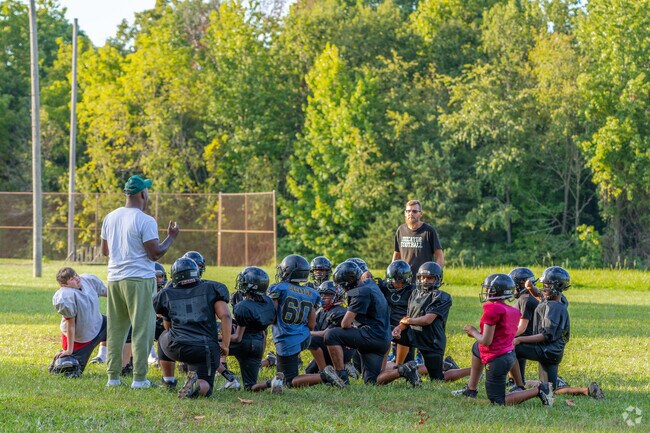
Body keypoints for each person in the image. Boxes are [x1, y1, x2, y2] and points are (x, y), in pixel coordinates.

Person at [101, 174, 179, 388]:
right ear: (143, 194)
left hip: (115, 279)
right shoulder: (145, 220)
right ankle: (139, 379)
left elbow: (105, 250)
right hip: (140, 280)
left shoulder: (110, 217)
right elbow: (154, 254)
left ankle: (113, 377)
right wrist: (171, 237)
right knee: (142, 329)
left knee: (115, 329)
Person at [454, 274, 554, 406]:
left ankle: (540, 390)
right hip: (509, 355)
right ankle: (471, 389)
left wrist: (472, 331)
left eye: (488, 288)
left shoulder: (493, 310)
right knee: (476, 348)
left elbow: (486, 341)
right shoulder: (513, 311)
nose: (486, 291)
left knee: (498, 401)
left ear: (495, 291)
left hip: (497, 359)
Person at [153, 257, 231, 398]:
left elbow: (167, 326)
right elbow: (225, 315)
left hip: (175, 345)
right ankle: (197, 384)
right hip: (204, 348)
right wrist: (225, 344)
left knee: (164, 335)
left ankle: (168, 380)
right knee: (205, 386)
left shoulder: (166, 294)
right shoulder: (212, 288)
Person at [385, 262, 469, 384]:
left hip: (431, 339)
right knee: (385, 332)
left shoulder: (442, 296)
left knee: (437, 378)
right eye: (423, 277)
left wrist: (408, 321)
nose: (425, 281)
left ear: (438, 279)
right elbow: (409, 317)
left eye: (430, 278)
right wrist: (399, 328)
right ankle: (389, 368)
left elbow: (427, 320)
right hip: (413, 334)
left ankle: (471, 370)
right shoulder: (415, 293)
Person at [251, 254, 321, 393]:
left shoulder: (279, 288)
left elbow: (272, 315)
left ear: (287, 271)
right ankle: (271, 380)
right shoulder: (312, 293)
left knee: (289, 381)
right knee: (283, 372)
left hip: (286, 338)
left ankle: (324, 376)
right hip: (304, 336)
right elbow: (312, 324)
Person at [324, 261, 392, 386]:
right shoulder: (370, 284)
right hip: (383, 339)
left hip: (371, 337)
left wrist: (350, 325)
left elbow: (345, 324)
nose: (340, 288)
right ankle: (403, 370)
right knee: (372, 381)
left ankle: (341, 377)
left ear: (348, 283)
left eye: (341, 285)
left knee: (330, 335)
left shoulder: (360, 292)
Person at [49, 268, 107, 377]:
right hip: (79, 338)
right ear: (64, 285)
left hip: (97, 324)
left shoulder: (87, 280)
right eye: (72, 279)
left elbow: (107, 292)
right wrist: (69, 350)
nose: (76, 278)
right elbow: (70, 324)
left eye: (75, 275)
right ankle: (61, 357)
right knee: (70, 371)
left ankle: (121, 364)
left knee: (126, 329)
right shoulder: (66, 295)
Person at [229, 267, 276, 391]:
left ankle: (226, 378)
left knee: (209, 348)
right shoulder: (269, 302)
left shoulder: (243, 307)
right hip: (258, 343)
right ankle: (270, 383)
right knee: (250, 386)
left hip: (244, 343)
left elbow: (237, 337)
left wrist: (217, 337)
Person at [392, 200, 444, 280]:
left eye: (414, 211)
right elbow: (397, 255)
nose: (411, 213)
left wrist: (435, 275)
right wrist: (392, 272)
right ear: (405, 213)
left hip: (424, 280)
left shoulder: (429, 231)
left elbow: (439, 256)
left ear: (420, 214)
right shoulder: (400, 230)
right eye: (408, 211)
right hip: (404, 280)